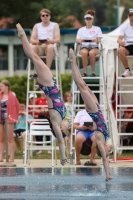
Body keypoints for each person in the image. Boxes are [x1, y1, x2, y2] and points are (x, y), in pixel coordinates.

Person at [16, 23, 67, 166]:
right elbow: (65, 136)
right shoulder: (63, 116)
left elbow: (61, 141)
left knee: (34, 56)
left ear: (61, 129)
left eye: (67, 129)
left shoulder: (56, 122)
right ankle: (22, 37)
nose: (68, 127)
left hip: (48, 85)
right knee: (34, 57)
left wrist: (63, 157)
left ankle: (22, 36)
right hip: (50, 84)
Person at [68, 48, 113, 181]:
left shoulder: (100, 140)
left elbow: (104, 159)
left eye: (108, 150)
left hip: (93, 111)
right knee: (84, 85)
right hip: (97, 108)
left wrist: (108, 174)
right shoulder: (106, 138)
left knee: (81, 86)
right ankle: (74, 63)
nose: (110, 149)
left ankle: (72, 63)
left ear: (102, 149)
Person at [30, 8, 60, 78]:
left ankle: (47, 70)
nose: (45, 17)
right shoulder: (37, 25)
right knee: (32, 47)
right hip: (39, 46)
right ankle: (38, 70)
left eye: (47, 15)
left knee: (50, 47)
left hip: (50, 46)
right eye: (43, 15)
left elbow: (58, 40)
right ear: (41, 17)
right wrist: (37, 42)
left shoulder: (54, 25)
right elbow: (32, 39)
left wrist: (50, 41)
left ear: (50, 16)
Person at [76, 9, 102, 77]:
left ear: (92, 20)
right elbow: (77, 40)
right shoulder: (81, 30)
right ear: (85, 20)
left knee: (91, 53)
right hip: (84, 46)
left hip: (94, 46)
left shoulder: (97, 29)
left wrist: (95, 40)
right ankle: (85, 72)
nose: (88, 20)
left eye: (90, 19)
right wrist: (82, 40)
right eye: (87, 19)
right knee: (84, 52)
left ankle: (93, 72)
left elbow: (100, 39)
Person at [0, 80, 19, 162]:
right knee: (1, 139)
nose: (0, 88)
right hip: (0, 117)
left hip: (9, 118)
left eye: (1, 86)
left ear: (6, 87)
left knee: (10, 139)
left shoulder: (12, 96)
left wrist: (14, 117)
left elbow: (17, 107)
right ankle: (0, 156)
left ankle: (11, 156)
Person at [117, 8, 133, 77]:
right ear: (128, 16)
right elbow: (119, 38)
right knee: (120, 50)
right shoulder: (124, 27)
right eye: (130, 15)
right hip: (128, 46)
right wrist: (120, 41)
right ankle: (127, 69)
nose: (132, 17)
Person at [63, 91, 73, 158]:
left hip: (71, 121)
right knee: (68, 139)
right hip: (67, 121)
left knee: (70, 139)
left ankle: (68, 153)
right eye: (68, 96)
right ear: (66, 98)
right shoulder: (66, 104)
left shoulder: (72, 104)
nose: (69, 97)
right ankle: (67, 153)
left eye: (70, 96)